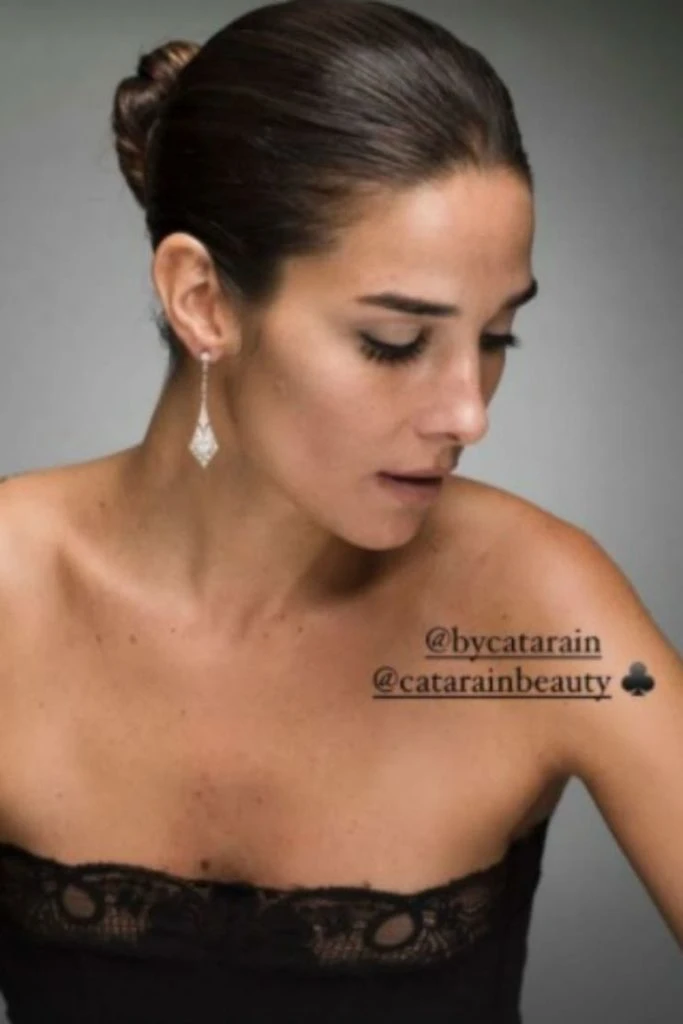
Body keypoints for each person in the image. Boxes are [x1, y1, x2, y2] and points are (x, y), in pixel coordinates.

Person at [0, 1, 681, 1021]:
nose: (468, 413)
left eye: (495, 337)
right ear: (203, 300)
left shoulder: (538, 608)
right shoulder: (10, 594)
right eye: (393, 343)